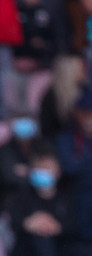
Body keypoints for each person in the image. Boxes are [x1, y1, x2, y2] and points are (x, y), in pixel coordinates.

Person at [7, 149, 76, 256]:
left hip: (60, 245)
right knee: (41, 236)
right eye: (39, 168)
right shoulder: (20, 197)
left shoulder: (67, 198)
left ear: (58, 172)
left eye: (47, 168)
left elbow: (73, 225)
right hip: (28, 246)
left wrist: (57, 226)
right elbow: (13, 222)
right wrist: (28, 223)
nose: (43, 172)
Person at [56, 86, 92, 245]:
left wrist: (82, 161)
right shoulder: (66, 138)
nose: (89, 119)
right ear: (77, 114)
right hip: (77, 195)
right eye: (85, 114)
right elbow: (69, 167)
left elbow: (76, 164)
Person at [0, 113, 43, 214]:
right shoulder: (4, 149)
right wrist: (35, 172)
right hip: (11, 199)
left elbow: (51, 172)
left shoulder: (41, 146)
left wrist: (28, 171)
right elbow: (9, 177)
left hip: (39, 199)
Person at [39, 54, 87, 139]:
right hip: (57, 140)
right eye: (81, 68)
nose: (85, 71)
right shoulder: (51, 96)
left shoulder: (85, 91)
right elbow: (47, 127)